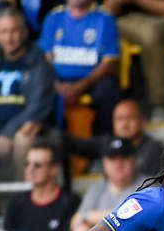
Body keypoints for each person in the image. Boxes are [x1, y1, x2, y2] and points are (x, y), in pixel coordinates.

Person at [0, 7, 54, 181]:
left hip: (21, 129)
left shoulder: (38, 61)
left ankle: (14, 203)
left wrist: (8, 133)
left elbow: (39, 105)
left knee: (23, 140)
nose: (9, 37)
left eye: (14, 31)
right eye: (4, 31)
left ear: (24, 32)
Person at [39, 0, 119, 136]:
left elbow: (109, 63)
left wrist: (81, 86)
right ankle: (49, 143)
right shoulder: (53, 17)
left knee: (109, 89)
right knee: (40, 88)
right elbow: (45, 58)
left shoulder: (105, 18)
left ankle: (103, 143)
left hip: (92, 79)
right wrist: (56, 84)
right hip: (58, 79)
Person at [2, 140, 80, 231]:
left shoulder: (70, 201)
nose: (30, 169)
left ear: (54, 169)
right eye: (27, 164)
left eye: (37, 165)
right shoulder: (16, 202)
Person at [70, 137, 141, 231]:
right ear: (104, 163)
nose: (118, 164)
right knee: (81, 229)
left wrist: (88, 217)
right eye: (112, 158)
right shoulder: (97, 187)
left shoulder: (148, 185)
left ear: (134, 160)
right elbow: (76, 221)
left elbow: (130, 218)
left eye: (124, 157)